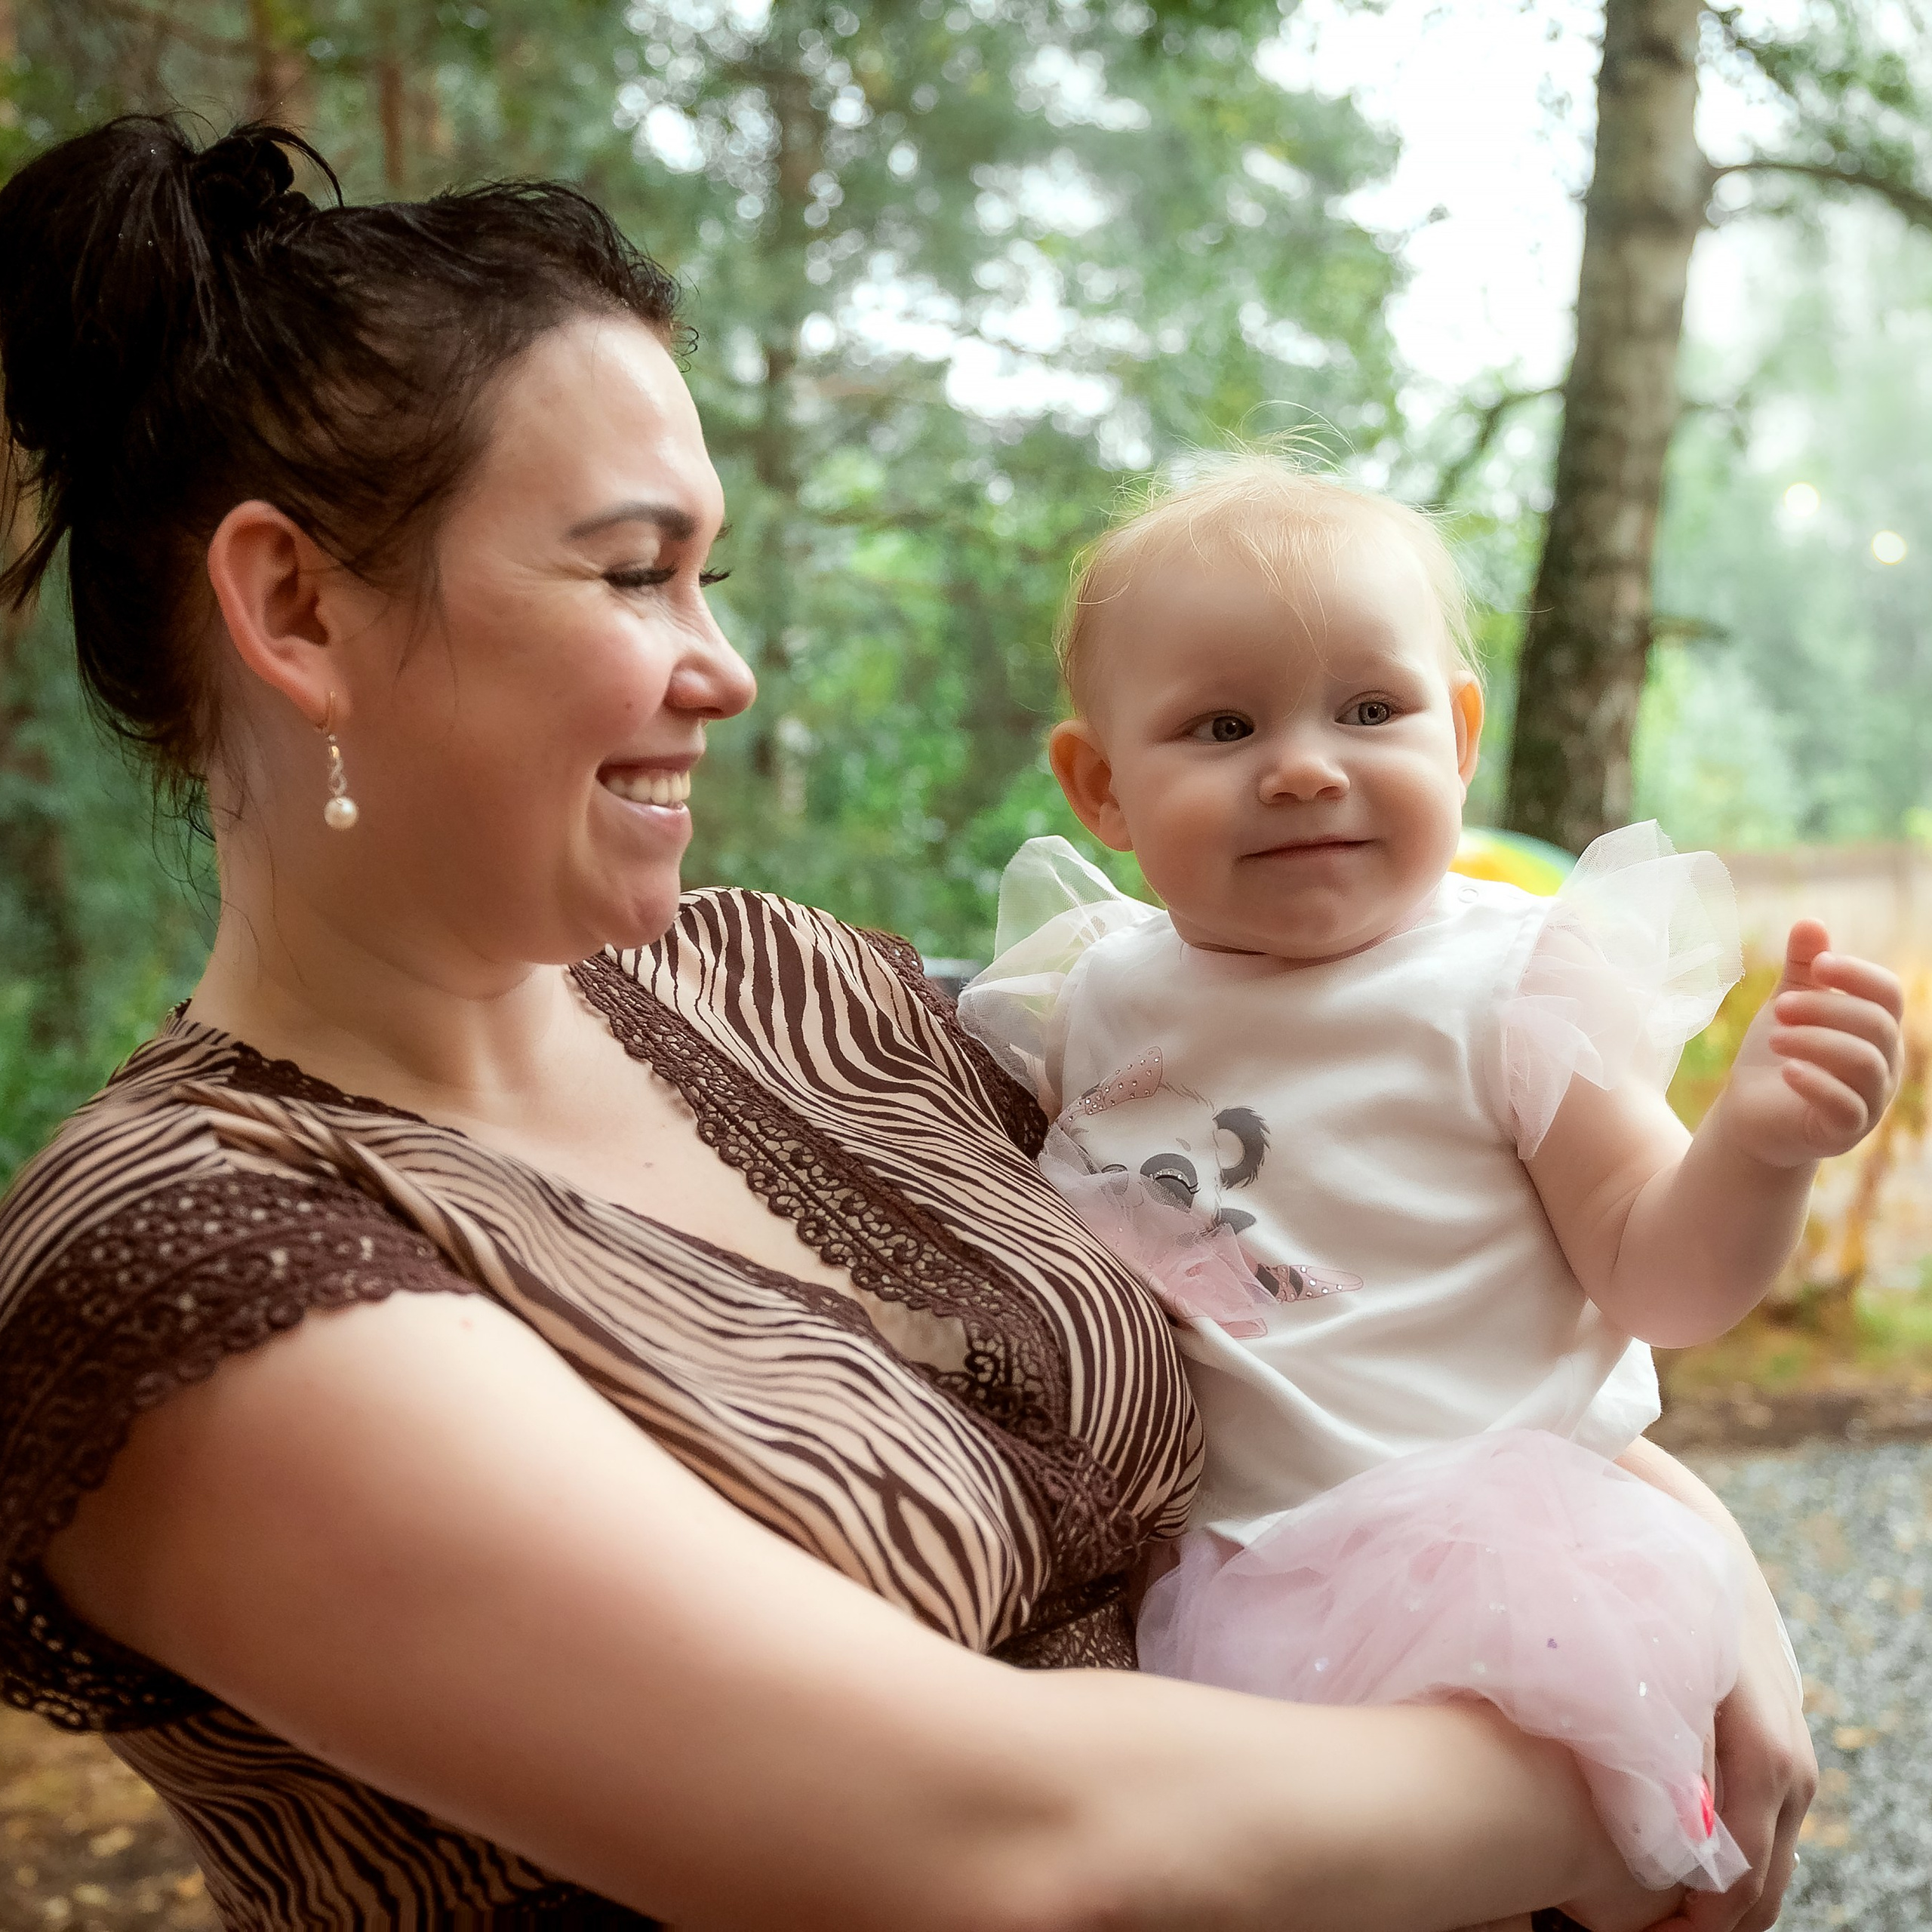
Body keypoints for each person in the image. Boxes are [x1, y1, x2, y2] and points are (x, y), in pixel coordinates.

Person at [0, 118, 1812, 1932]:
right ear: (297, 608)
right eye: (632, 572)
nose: (724, 667)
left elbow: (1349, 1292)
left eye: (709, 577)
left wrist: (1672, 1561)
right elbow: (990, 1844)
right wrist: (1616, 1779)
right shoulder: (187, 1262)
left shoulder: (785, 989)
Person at [960, 454, 1892, 1909]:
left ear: (1459, 735)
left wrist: (1756, 1148)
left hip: (1492, 1564)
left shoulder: (1513, 983)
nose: (1305, 767)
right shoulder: (1088, 994)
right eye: (1223, 726)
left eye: (1368, 710)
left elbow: (1660, 1277)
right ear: (1102, 787)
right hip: (1218, 1570)